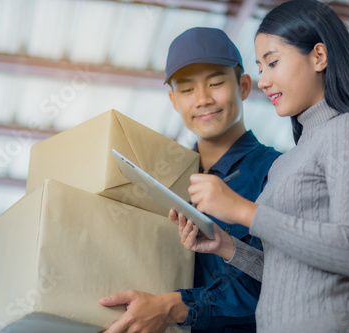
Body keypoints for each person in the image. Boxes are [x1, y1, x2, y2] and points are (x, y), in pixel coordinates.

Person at [171, 1, 349, 332]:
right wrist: (227, 247)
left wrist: (243, 211)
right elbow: (285, 272)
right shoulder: (287, 162)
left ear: (319, 56)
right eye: (261, 68)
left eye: (273, 62)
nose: (264, 81)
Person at [99, 27, 281, 332]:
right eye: (187, 90)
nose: (203, 99)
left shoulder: (276, 171)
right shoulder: (162, 181)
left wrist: (173, 306)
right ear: (173, 99)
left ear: (245, 86)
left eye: (216, 83)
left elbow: (280, 281)